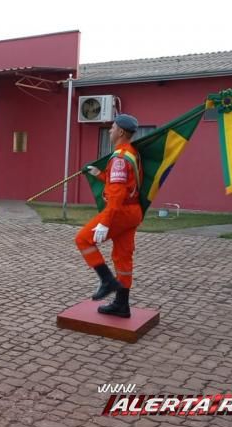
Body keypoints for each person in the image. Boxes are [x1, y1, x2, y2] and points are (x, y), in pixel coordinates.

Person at [74, 114, 142, 318]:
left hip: (120, 212)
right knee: (123, 257)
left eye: (112, 128)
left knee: (83, 239)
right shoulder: (132, 153)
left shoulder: (120, 158)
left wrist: (104, 222)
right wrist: (99, 174)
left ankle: (106, 280)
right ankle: (122, 305)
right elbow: (123, 183)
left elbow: (118, 194)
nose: (110, 131)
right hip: (133, 212)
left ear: (121, 132)